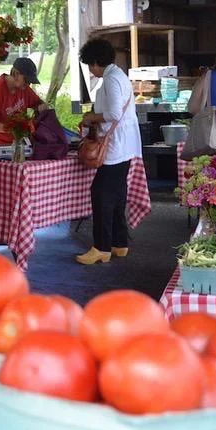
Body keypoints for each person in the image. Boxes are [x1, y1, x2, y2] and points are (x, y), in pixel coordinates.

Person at [75, 38, 141, 265]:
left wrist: (90, 117)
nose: (90, 71)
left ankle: (101, 247)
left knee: (101, 194)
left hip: (116, 146)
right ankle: (119, 243)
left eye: (89, 66)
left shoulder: (112, 80)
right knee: (117, 195)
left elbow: (113, 113)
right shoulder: (118, 75)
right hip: (125, 144)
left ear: (96, 62)